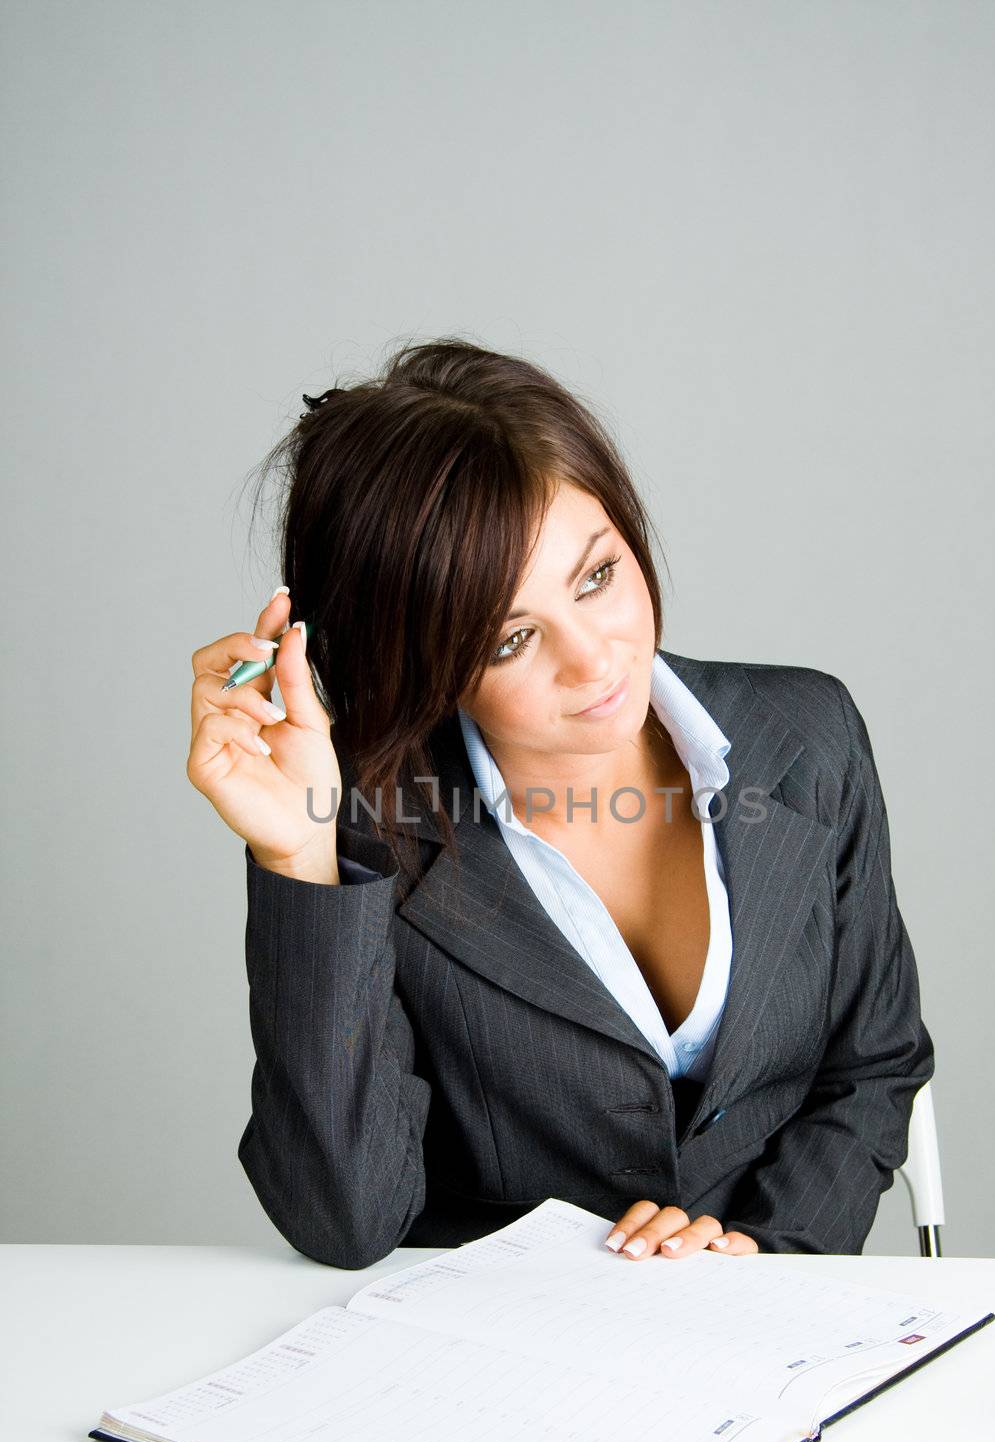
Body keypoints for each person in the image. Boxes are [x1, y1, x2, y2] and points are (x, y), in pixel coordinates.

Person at [187, 337, 933, 1270]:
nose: (593, 660)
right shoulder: (368, 822)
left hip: (761, 1341)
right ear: (416, 662)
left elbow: (870, 1066)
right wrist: (299, 859)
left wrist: (763, 1261)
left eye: (597, 577)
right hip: (497, 1356)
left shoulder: (808, 735)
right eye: (509, 640)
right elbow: (346, 1218)